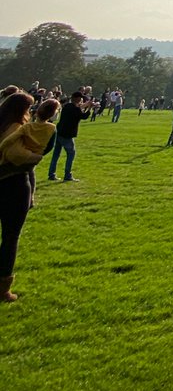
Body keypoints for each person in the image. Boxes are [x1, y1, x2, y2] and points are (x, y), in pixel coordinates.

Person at [0, 92, 48, 301]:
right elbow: (16, 155)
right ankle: (3, 289)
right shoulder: (17, 129)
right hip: (14, 185)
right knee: (10, 238)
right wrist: (36, 157)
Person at [47, 90, 91, 182]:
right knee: (71, 153)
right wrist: (89, 108)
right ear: (77, 98)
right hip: (67, 134)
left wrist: (84, 107)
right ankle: (68, 174)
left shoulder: (67, 106)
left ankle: (51, 174)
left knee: (56, 154)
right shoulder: (75, 109)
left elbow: (78, 113)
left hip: (59, 131)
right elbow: (83, 116)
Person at [0, 98, 59, 164]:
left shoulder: (27, 126)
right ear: (52, 115)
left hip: (23, 155)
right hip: (36, 155)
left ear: (37, 111)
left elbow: (10, 139)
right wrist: (41, 154)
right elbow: (50, 146)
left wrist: (1, 147)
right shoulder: (52, 128)